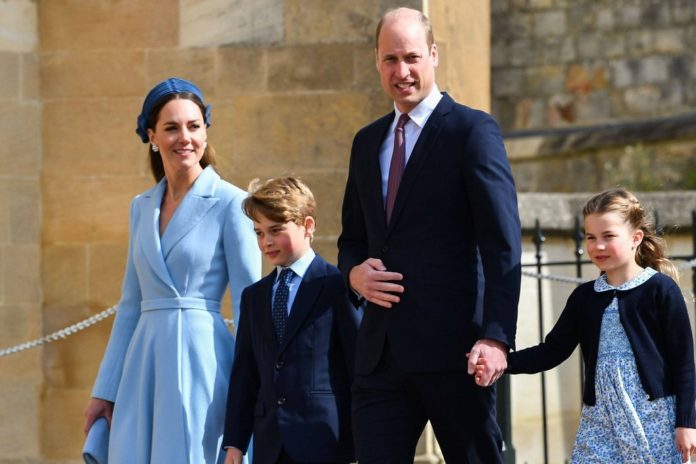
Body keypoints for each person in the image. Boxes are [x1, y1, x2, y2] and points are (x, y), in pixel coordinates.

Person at [337, 7, 521, 463]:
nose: (402, 71)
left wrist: (496, 337)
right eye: (390, 59)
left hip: (456, 351)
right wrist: (353, 275)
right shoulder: (366, 142)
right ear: (377, 62)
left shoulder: (471, 130)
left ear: (433, 55)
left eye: (412, 57)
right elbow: (352, 241)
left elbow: (502, 244)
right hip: (380, 357)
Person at [82, 77, 262, 463]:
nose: (185, 137)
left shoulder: (233, 202)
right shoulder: (140, 206)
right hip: (143, 365)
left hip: (204, 363)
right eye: (171, 127)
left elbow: (252, 305)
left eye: (194, 126)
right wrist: (105, 389)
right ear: (152, 136)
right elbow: (130, 304)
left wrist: (255, 389)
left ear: (205, 131)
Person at [479, 188, 696, 463]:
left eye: (608, 236)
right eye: (591, 237)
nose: (598, 246)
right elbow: (552, 350)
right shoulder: (584, 297)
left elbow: (684, 363)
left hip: (653, 416)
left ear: (635, 238)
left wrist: (687, 423)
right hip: (600, 418)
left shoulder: (661, 290)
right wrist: (503, 362)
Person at [223, 177, 359, 464]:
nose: (266, 242)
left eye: (275, 230)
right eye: (259, 233)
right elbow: (245, 374)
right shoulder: (254, 297)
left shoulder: (337, 285)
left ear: (307, 226)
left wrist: (363, 441)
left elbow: (357, 367)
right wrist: (235, 443)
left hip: (326, 441)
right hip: (269, 444)